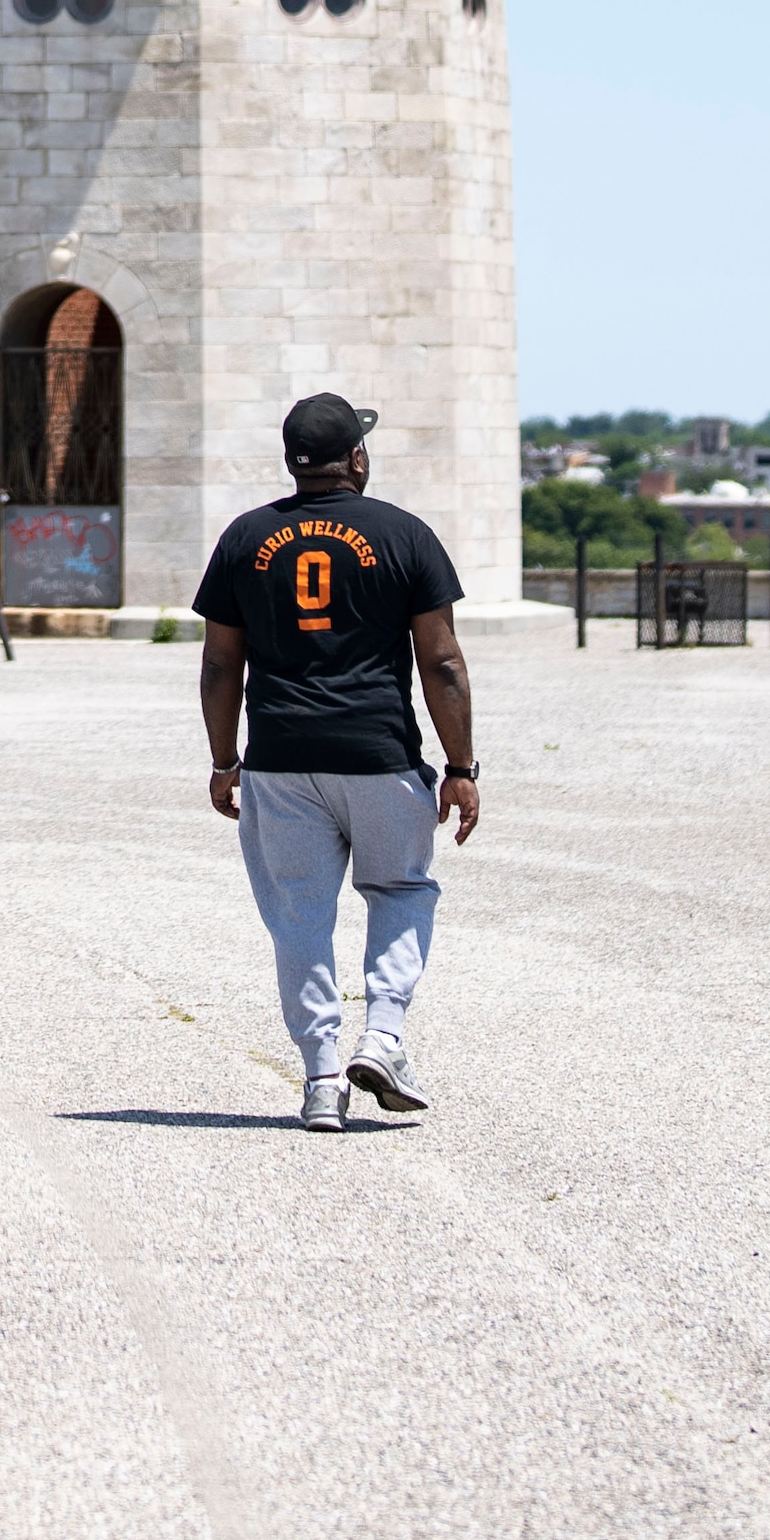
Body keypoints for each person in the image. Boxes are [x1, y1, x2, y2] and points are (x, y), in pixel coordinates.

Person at [192, 392, 481, 1130]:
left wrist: (225, 759)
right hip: (379, 751)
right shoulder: (403, 534)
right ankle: (382, 1036)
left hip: (281, 757)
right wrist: (461, 766)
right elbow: (440, 659)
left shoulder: (244, 538)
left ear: (293, 460)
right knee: (401, 889)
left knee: (299, 916)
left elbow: (222, 664)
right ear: (357, 457)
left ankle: (322, 1076)